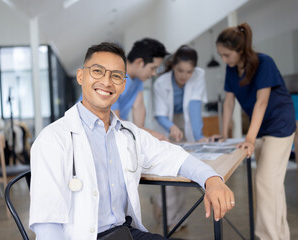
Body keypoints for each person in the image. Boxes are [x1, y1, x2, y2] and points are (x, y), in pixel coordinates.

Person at [29, 42, 235, 240]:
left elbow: (174, 156)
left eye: (116, 76)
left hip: (125, 233)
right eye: (98, 71)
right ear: (81, 76)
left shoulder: (128, 133)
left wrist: (212, 179)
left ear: (122, 86)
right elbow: (47, 224)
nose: (107, 82)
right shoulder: (53, 139)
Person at [215, 22, 296, 240]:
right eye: (220, 55)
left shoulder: (264, 63)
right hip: (260, 128)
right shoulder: (231, 69)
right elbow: (229, 103)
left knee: (265, 182)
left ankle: (267, 237)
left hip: (280, 125)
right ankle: (280, 236)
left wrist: (249, 139)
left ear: (240, 50)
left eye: (227, 55)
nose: (224, 60)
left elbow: (262, 102)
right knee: (272, 186)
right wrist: (224, 133)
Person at [151, 45, 208, 229]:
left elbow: (194, 107)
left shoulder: (199, 75)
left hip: (188, 122)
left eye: (189, 72)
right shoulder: (161, 82)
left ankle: (175, 217)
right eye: (180, 70)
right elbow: (159, 114)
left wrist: (198, 136)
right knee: (170, 171)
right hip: (167, 124)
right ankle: (170, 218)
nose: (184, 76)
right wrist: (171, 127)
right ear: (173, 66)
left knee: (185, 171)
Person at [111, 38, 169, 141]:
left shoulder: (138, 81)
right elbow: (114, 122)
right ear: (139, 62)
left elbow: (139, 124)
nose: (154, 73)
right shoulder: (113, 77)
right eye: (153, 68)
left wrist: (153, 136)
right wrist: (150, 134)